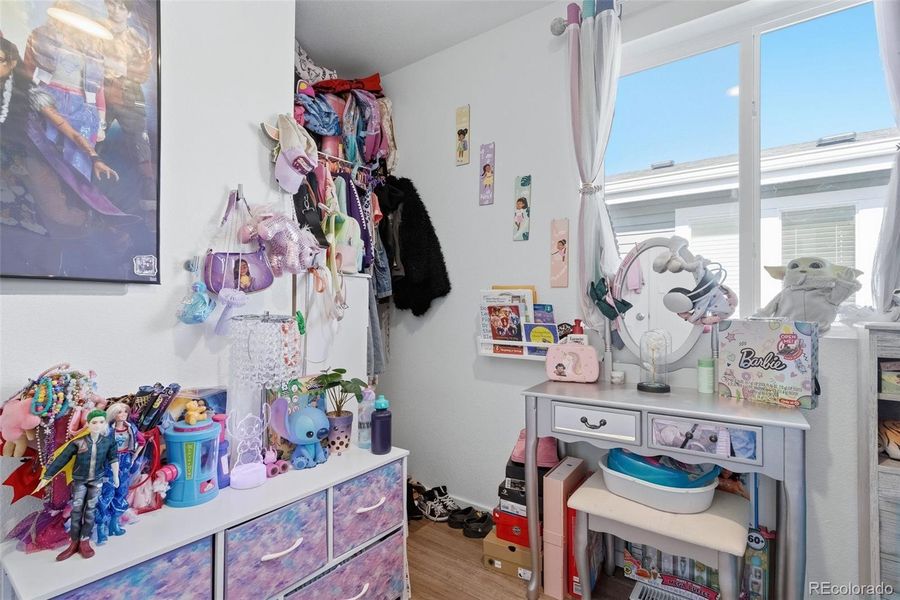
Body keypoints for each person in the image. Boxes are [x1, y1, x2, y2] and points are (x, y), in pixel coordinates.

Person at [36, 410, 119, 561]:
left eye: (101, 422)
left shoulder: (108, 442)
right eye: (94, 422)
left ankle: (84, 540)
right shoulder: (78, 442)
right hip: (80, 480)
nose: (98, 425)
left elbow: (113, 458)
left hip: (97, 480)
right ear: (88, 424)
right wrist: (47, 476)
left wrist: (116, 475)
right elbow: (62, 459)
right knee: (77, 510)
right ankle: (74, 542)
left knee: (90, 511)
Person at [100, 0, 155, 219]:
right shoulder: (95, 32)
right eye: (112, 5)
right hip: (99, 93)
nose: (115, 10)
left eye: (121, 7)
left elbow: (142, 72)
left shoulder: (136, 39)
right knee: (95, 141)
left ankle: (148, 196)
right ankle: (87, 189)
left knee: (141, 144)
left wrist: (120, 69)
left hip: (129, 95)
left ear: (129, 13)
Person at [95, 402, 143, 544]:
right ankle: (101, 527)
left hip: (125, 461)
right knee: (107, 493)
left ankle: (114, 524)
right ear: (113, 414)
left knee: (121, 492)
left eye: (125, 412)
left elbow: (141, 441)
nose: (123, 415)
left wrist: (133, 458)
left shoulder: (131, 428)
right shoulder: (108, 430)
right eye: (119, 412)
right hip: (110, 463)